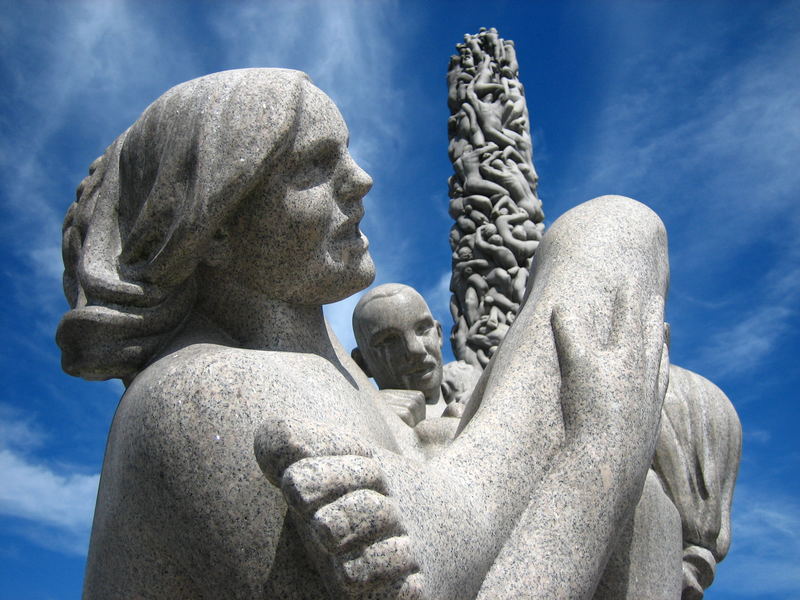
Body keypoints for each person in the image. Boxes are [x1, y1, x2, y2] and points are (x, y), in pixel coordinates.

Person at [58, 68, 676, 599]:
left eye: (345, 152)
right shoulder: (197, 396)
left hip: (457, 510)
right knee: (611, 229)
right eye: (313, 166)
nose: (361, 179)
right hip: (463, 524)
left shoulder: (346, 385)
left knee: (646, 503)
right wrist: (599, 448)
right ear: (212, 229)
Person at [351, 283, 480, 420]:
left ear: (439, 334)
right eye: (389, 340)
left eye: (422, 329)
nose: (416, 350)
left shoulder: (479, 399)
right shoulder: (363, 421)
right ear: (362, 363)